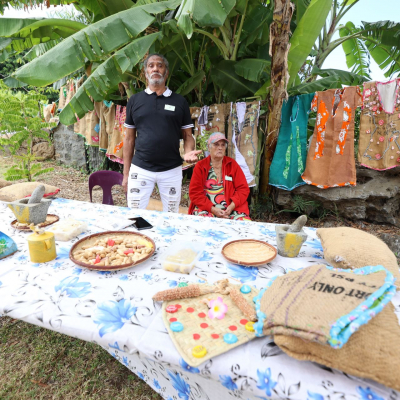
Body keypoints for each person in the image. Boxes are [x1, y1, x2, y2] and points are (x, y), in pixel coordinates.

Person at [122, 53, 201, 212]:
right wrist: (126, 174)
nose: (155, 68)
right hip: (141, 168)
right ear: (146, 73)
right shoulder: (135, 101)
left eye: (160, 65)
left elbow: (187, 135)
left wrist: (188, 152)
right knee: (134, 215)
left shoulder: (179, 102)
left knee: (171, 217)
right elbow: (129, 140)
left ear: (166, 72)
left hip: (171, 170)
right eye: (151, 66)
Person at [189, 132, 251, 220]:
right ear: (209, 148)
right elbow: (195, 193)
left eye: (223, 145)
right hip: (207, 208)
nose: (220, 148)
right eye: (216, 144)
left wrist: (231, 206)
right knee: (202, 224)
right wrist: (213, 209)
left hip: (232, 209)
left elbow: (243, 189)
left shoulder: (232, 164)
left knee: (244, 226)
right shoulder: (200, 166)